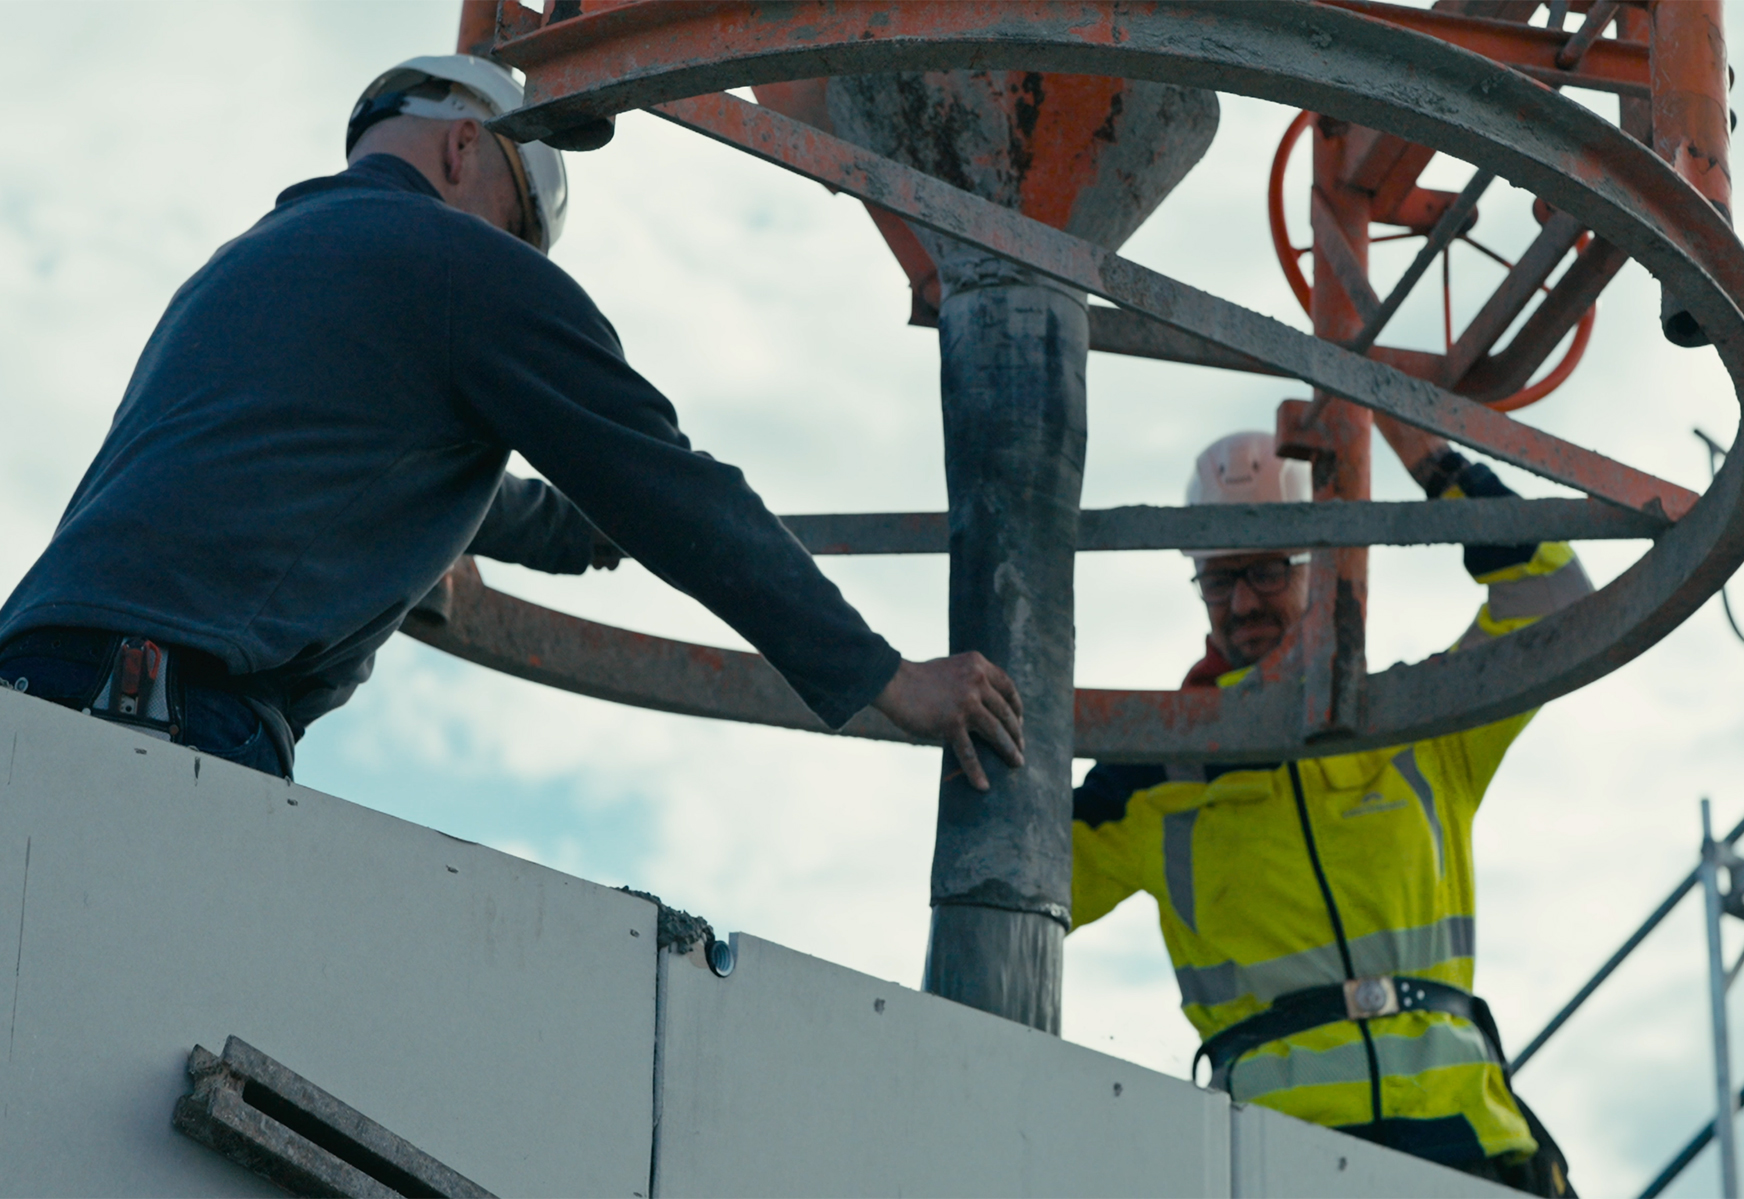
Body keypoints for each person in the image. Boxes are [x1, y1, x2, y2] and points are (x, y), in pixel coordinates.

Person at [0, 54, 1024, 787]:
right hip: (167, 723)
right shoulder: (462, 265)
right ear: (462, 149)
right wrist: (886, 676)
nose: (521, 256)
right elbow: (668, 485)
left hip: (37, 685)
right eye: (523, 230)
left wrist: (587, 532)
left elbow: (401, 474)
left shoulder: (245, 272)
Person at [1070, 418, 1591, 1196]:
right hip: (1275, 1164)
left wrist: (1423, 444)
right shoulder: (1149, 775)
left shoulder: (1416, 724)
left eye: (1268, 570)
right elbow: (1011, 876)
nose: (1242, 600)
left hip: (1470, 1153)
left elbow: (1555, 603)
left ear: (1321, 563)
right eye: (1220, 578)